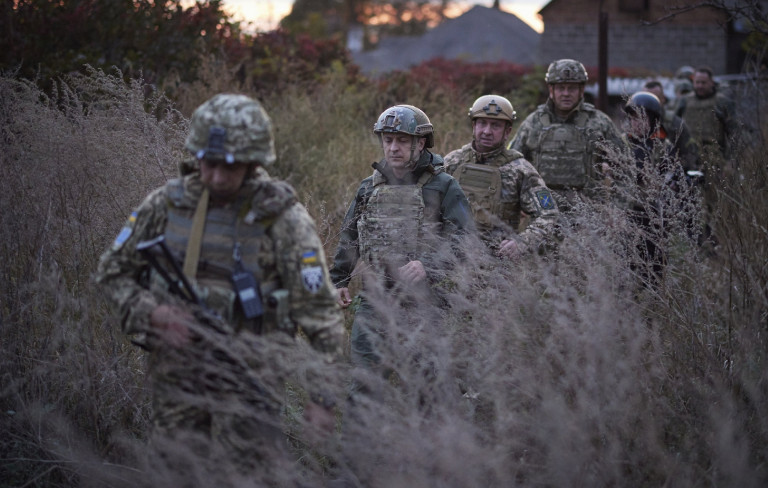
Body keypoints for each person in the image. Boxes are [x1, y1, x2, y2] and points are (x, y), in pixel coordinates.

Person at [96, 94, 344, 478]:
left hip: (251, 380)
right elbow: (112, 271)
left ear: (253, 161)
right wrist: (152, 313)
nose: (216, 177)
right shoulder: (166, 205)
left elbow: (319, 310)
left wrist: (322, 398)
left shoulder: (283, 217)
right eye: (208, 163)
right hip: (178, 375)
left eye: (230, 166)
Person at [330, 104, 474, 367]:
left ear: (420, 143)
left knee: (425, 383)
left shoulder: (444, 186)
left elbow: (465, 238)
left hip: (426, 304)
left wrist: (427, 265)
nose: (393, 148)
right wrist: (339, 280)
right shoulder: (368, 187)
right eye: (388, 140)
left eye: (402, 140)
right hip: (375, 301)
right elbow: (350, 236)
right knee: (365, 384)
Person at [443, 94, 558, 256]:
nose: (487, 131)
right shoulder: (452, 162)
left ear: (507, 131)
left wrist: (522, 242)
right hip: (450, 257)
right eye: (482, 123)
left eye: (495, 125)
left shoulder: (521, 170)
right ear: (474, 125)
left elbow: (549, 214)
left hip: (496, 261)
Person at [508, 58, 622, 210]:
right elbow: (512, 166)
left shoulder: (599, 123)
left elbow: (625, 167)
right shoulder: (533, 123)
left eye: (572, 88)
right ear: (551, 90)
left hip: (588, 213)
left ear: (581, 90)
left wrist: (617, 209)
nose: (566, 93)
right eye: (561, 88)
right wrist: (520, 203)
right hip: (542, 212)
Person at [620, 91, 689, 287]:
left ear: (654, 120)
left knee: (654, 268)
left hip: (654, 216)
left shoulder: (663, 147)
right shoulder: (620, 143)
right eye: (633, 118)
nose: (637, 123)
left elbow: (673, 179)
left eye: (643, 118)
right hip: (625, 214)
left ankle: (653, 300)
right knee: (624, 266)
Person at [642, 80, 700, 173]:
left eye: (655, 98)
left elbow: (689, 153)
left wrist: (677, 170)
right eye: (647, 99)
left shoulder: (675, 123)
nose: (650, 103)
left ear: (663, 99)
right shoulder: (634, 123)